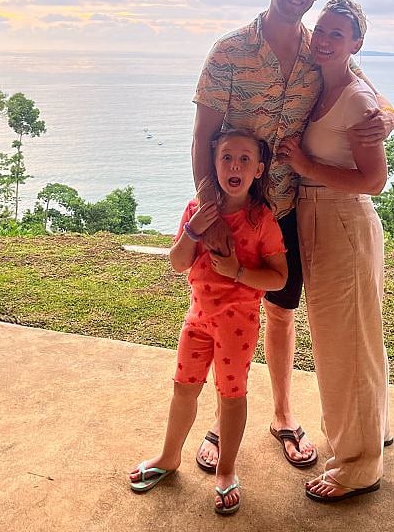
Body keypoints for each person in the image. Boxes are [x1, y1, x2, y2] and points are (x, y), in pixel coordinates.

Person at [192, 0, 394, 472]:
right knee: (227, 313)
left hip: (287, 208)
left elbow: (373, 97)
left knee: (282, 312)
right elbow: (203, 138)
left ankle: (282, 415)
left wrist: (390, 118)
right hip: (237, 209)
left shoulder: (318, 50)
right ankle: (223, 419)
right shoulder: (229, 51)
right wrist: (212, 214)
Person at [129, 129, 287, 515]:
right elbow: (178, 262)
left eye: (244, 159)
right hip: (197, 317)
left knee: (231, 396)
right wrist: (193, 229)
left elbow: (279, 277)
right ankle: (169, 457)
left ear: (258, 169)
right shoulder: (197, 210)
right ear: (212, 165)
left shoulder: (261, 219)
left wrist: (237, 272)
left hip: (238, 323)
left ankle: (227, 469)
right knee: (183, 388)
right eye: (226, 158)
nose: (234, 165)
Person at [278, 0, 390, 502]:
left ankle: (358, 464)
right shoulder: (325, 80)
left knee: (345, 344)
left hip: (342, 218)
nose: (324, 40)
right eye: (321, 30)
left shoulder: (355, 99)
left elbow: (374, 179)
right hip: (318, 216)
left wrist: (304, 165)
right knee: (355, 338)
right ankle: (371, 432)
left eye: (337, 35)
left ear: (355, 45)